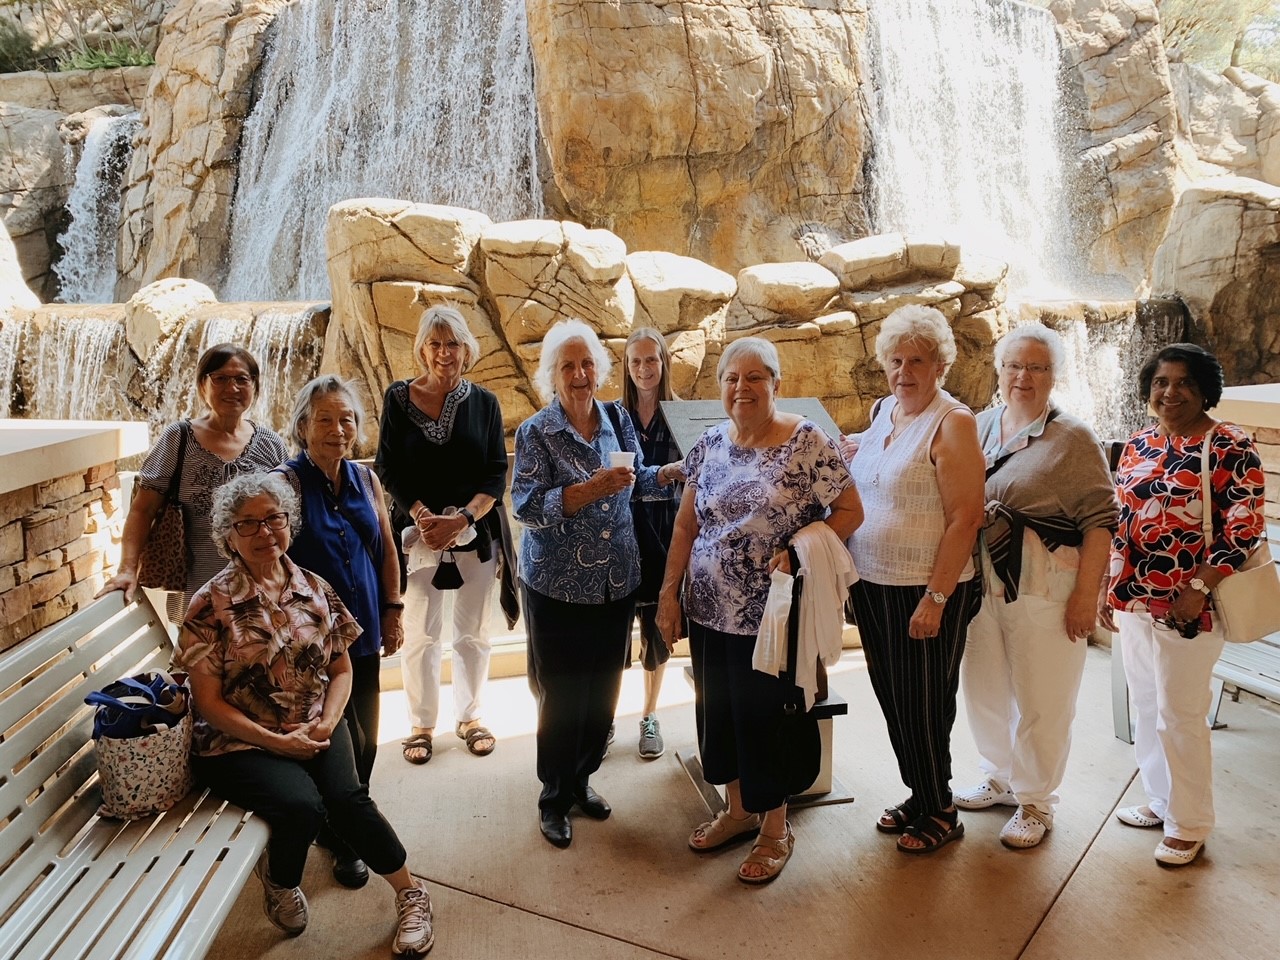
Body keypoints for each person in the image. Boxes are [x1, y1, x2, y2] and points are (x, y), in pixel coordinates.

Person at [176, 473, 433, 955]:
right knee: (302, 807)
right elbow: (207, 703)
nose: (264, 532)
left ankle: (412, 893)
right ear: (226, 535)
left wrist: (330, 721)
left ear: (289, 524)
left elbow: (341, 669)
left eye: (274, 519)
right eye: (247, 524)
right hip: (239, 741)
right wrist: (275, 742)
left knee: (348, 799)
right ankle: (280, 881)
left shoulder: (313, 587)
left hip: (314, 722)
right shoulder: (208, 605)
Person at [656, 336, 863, 884]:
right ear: (720, 386)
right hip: (706, 610)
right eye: (732, 378)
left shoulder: (806, 441)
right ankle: (739, 810)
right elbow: (685, 525)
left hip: (771, 616)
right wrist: (668, 594)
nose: (742, 388)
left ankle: (776, 826)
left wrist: (801, 551)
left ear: (776, 383)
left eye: (755, 377)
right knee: (720, 714)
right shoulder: (708, 444)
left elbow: (851, 509)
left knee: (767, 718)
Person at [512, 318, 682, 848]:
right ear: (553, 376)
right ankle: (553, 798)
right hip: (558, 587)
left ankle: (583, 781)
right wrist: (588, 490)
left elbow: (636, 480)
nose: (581, 374)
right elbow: (525, 506)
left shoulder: (615, 418)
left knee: (603, 693)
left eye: (588, 364)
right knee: (562, 697)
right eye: (569, 366)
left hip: (616, 581)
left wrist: (673, 472)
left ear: (601, 371)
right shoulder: (537, 432)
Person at [1099, 343, 1265, 867]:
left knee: (1182, 714)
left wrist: (1196, 590)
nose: (1170, 392)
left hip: (1192, 605)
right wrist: (1111, 587)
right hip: (1135, 598)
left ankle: (1190, 823)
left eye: (1184, 383)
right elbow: (1123, 521)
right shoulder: (1141, 442)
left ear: (1204, 390)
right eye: (1161, 382)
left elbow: (1243, 527)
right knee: (1148, 706)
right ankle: (1162, 800)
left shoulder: (1228, 446)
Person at [953, 324, 1117, 848]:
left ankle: (1036, 801)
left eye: (1038, 368)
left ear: (1054, 375)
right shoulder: (978, 426)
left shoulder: (1073, 438)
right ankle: (998, 776)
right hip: (983, 585)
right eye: (1014, 366)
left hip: (1048, 588)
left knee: (1044, 698)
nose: (1024, 377)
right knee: (984, 688)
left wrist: (1085, 599)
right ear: (998, 370)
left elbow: (1100, 522)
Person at [842, 304, 984, 855]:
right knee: (894, 698)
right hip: (873, 584)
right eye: (896, 361)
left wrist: (936, 597)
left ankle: (941, 808)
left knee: (925, 702)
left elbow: (966, 517)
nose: (905, 372)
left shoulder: (954, 422)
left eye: (918, 361)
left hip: (927, 590)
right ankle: (920, 794)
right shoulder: (885, 412)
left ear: (940, 365)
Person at [277, 375, 405, 887]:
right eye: (325, 419)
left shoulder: (366, 479)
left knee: (368, 736)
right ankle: (342, 837)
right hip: (314, 647)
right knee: (337, 739)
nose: (338, 429)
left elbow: (388, 550)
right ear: (304, 426)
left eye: (346, 418)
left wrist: (394, 609)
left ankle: (350, 819)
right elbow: (273, 563)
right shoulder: (285, 484)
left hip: (365, 631)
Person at [375, 305, 509, 766]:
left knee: (472, 632)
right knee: (419, 633)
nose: (443, 352)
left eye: (452, 343)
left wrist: (464, 520)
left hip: (474, 531)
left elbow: (496, 473)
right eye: (434, 343)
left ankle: (471, 718)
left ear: (466, 348)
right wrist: (423, 515)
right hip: (418, 535)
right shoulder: (397, 399)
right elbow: (387, 467)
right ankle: (421, 724)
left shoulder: (486, 403)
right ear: (422, 348)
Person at [98, 343, 287, 618]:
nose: (232, 388)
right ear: (202, 385)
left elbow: (286, 518)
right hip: (196, 593)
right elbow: (143, 509)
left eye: (241, 379)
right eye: (220, 378)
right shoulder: (179, 438)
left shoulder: (271, 443)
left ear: (254, 387)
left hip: (263, 594)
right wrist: (127, 568)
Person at [620, 327, 683, 760]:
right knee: (614, 632)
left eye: (652, 360)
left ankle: (649, 714)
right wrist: (661, 477)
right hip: (622, 534)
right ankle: (605, 720)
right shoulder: (612, 416)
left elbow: (692, 480)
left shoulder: (681, 414)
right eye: (636, 361)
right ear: (627, 367)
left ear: (664, 364)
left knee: (657, 630)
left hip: (666, 532)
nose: (644, 369)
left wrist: (650, 484)